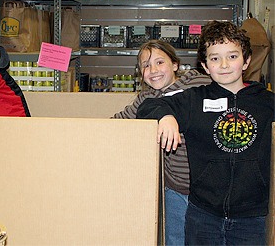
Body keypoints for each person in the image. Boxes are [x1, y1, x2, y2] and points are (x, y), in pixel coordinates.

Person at [137, 20, 274, 245]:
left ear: (246, 60)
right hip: (203, 214)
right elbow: (149, 106)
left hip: (251, 216)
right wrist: (166, 116)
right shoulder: (195, 99)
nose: (224, 64)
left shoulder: (267, 102)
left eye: (232, 56)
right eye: (214, 58)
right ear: (205, 65)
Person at [112, 40, 211, 245]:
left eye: (159, 62)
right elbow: (116, 125)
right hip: (174, 189)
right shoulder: (145, 98)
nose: (153, 70)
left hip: (207, 192)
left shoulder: (199, 85)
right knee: (175, 240)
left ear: (175, 65)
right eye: (146, 65)